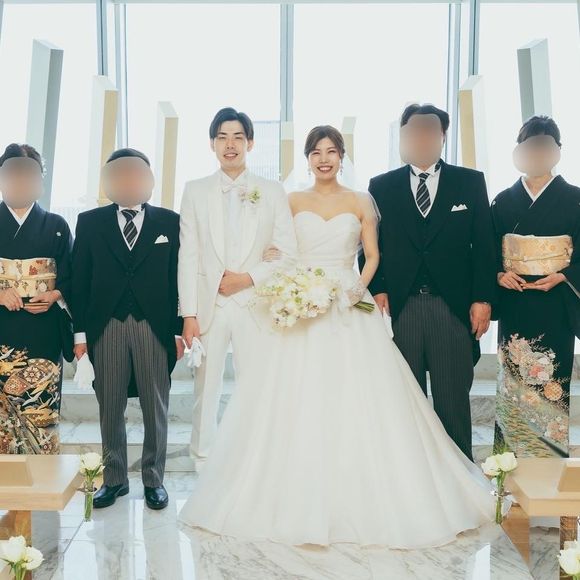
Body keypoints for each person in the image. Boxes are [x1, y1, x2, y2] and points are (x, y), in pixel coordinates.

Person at [178, 126, 494, 548]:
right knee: (297, 396)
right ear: (307, 159)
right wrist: (286, 275)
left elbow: (373, 255)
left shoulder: (361, 199)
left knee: (364, 396)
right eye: (316, 152)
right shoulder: (290, 200)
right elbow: (279, 247)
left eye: (331, 151)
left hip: (348, 301)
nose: (323, 158)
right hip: (303, 303)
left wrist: (356, 288)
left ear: (342, 157)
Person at [367, 104, 497, 460]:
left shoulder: (470, 182)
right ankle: (408, 473)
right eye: (414, 130)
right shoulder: (381, 186)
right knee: (404, 400)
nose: (421, 137)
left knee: (452, 400)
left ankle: (462, 477)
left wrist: (483, 299)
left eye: (429, 130)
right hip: (402, 307)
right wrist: (378, 288)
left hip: (452, 307)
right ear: (403, 136)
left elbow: (484, 246)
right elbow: (370, 244)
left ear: (442, 136)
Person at [178, 107, 297, 470]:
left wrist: (247, 278)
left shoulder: (272, 191)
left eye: (238, 138)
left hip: (254, 302)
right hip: (210, 304)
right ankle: (202, 459)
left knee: (255, 385)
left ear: (250, 143)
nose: (230, 145)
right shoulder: (195, 190)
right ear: (212, 144)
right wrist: (188, 314)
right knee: (205, 388)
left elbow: (287, 252)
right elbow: (188, 255)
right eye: (222, 138)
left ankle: (254, 459)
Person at [71, 148, 183, 510]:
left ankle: (154, 479)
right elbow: (79, 281)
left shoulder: (170, 222)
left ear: (149, 180)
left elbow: (178, 279)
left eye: (136, 174)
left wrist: (178, 329)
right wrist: (80, 335)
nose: (128, 180)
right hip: (107, 326)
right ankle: (115, 478)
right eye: (119, 175)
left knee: (156, 405)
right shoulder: (89, 222)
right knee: (110, 404)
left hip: (154, 326)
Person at [492, 115, 580, 458]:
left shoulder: (575, 198)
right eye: (531, 146)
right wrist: (498, 274)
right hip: (514, 301)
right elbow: (487, 249)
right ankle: (508, 468)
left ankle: (548, 468)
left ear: (557, 151)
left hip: (556, 303)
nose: (537, 153)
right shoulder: (503, 200)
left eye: (545, 146)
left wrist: (566, 275)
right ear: (520, 150)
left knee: (550, 386)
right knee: (512, 386)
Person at [0, 143, 73, 455]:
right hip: (2, 326)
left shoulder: (56, 226)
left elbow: (73, 273)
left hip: (43, 329)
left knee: (40, 411)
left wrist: (55, 293)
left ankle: (41, 478)